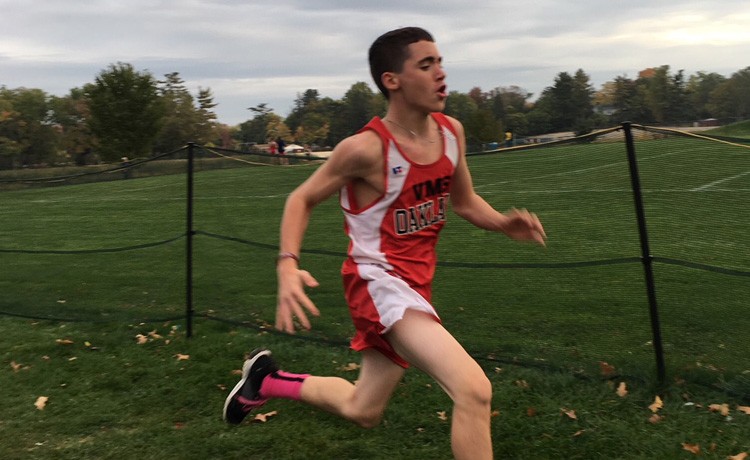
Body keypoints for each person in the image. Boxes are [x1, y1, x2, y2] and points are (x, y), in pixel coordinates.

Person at [223, 26, 546, 460]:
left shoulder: (451, 133)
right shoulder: (365, 150)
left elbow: (465, 202)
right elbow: (301, 198)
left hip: (414, 287)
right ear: (392, 80)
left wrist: (503, 224)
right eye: (426, 65)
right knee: (474, 389)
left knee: (364, 409)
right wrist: (286, 264)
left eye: (440, 62)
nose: (441, 74)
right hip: (377, 285)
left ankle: (266, 381)